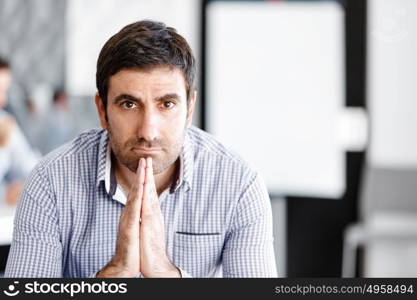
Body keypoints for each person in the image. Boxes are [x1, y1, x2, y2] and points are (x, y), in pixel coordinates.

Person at [5, 20, 277, 278]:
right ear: (102, 110)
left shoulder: (239, 183)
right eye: (129, 104)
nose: (148, 131)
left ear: (189, 108)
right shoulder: (51, 180)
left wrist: (163, 272)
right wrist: (116, 272)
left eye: (167, 104)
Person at [0, 57, 39, 207]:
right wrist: (4, 193)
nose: (2, 100)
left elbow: (28, 164)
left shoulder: (4, 123)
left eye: (4, 91)